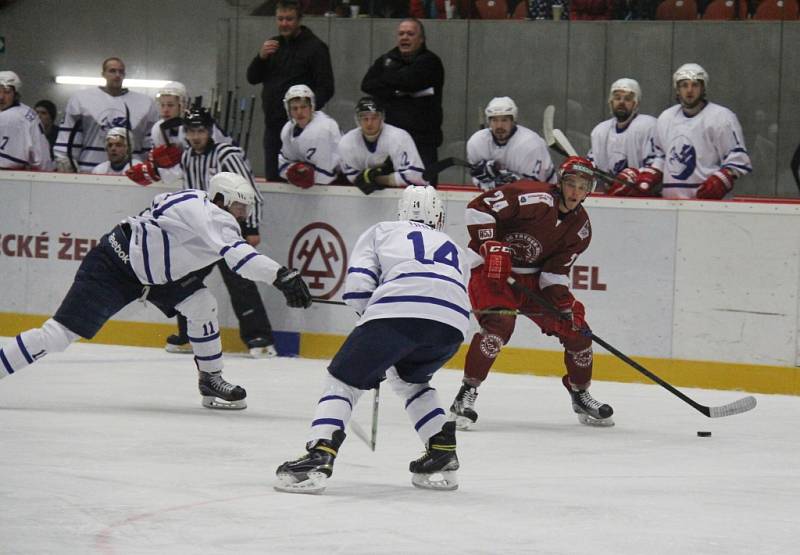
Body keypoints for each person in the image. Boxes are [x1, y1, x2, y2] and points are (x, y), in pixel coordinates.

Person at [0, 173, 312, 410]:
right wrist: (281, 276)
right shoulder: (210, 215)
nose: (243, 214)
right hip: (115, 267)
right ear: (220, 199)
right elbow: (240, 258)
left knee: (202, 304)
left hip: (159, 278)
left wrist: (280, 277)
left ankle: (210, 379)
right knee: (56, 336)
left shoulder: (206, 210)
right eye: (239, 206)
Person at [275, 185, 469, 494]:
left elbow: (357, 288)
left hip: (397, 312)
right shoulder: (452, 245)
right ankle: (441, 450)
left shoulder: (382, 230)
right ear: (439, 216)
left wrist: (374, 332)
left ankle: (319, 454)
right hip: (451, 326)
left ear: (401, 211)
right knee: (411, 381)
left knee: (342, 380)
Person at [449, 156, 614, 429]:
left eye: (582, 186)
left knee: (578, 331)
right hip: (494, 273)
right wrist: (489, 244)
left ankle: (580, 393)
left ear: (589, 191)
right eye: (570, 183)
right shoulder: (532, 197)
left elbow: (554, 273)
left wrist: (563, 304)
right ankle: (465, 395)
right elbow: (478, 208)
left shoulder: (581, 230)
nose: (575, 191)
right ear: (560, 182)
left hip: (534, 281)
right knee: (499, 326)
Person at [126, 108, 277, 358]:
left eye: (201, 131)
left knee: (241, 284)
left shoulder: (226, 154)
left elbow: (249, 190)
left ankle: (259, 339)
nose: (196, 136)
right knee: (184, 281)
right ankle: (188, 337)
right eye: (192, 131)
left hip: (229, 230)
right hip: (199, 234)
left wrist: (251, 226)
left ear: (210, 131)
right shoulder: (187, 157)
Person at [615, 63, 752, 199]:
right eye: (684, 85)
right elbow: (661, 156)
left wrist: (721, 180)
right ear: (677, 89)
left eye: (695, 85)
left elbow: (738, 158)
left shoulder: (721, 117)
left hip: (709, 204)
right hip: (671, 202)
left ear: (703, 88)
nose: (689, 90)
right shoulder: (666, 118)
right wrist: (650, 174)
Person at [245, 0, 334, 181]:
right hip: (273, 125)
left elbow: (326, 88)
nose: (284, 23)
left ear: (299, 20)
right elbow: (252, 78)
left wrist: (306, 115)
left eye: (289, 19)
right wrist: (260, 58)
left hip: (302, 128)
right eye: (280, 19)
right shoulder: (272, 46)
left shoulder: (316, 48)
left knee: (303, 179)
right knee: (273, 178)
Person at [361, 18, 443, 183]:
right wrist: (399, 88)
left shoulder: (430, 61)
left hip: (422, 141)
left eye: (410, 34)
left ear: (421, 39)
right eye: (401, 34)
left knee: (425, 191)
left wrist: (389, 82)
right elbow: (367, 84)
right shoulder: (386, 59)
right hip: (390, 141)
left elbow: (411, 81)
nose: (405, 37)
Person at [53, 57, 158, 173]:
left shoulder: (145, 103)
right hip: (88, 170)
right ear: (103, 74)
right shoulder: (81, 99)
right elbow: (68, 136)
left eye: (121, 71)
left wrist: (149, 168)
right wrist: (65, 160)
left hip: (132, 173)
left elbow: (149, 142)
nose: (117, 75)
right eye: (112, 71)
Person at [339, 96, 427, 195]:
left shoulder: (399, 137)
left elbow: (415, 176)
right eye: (364, 118)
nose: (369, 123)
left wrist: (382, 179)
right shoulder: (346, 142)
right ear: (358, 120)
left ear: (382, 118)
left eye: (374, 118)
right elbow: (353, 176)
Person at [466, 96, 555, 191]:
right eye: (494, 120)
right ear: (489, 122)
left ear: (513, 121)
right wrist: (488, 180)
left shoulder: (531, 145)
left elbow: (537, 187)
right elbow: (476, 177)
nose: (499, 126)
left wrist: (511, 181)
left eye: (504, 120)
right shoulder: (477, 142)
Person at [587, 78, 658, 194]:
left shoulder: (648, 127)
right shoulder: (600, 131)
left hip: (640, 198)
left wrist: (634, 178)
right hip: (609, 197)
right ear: (611, 101)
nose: (621, 102)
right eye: (617, 98)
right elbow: (593, 164)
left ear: (636, 103)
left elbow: (655, 165)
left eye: (627, 99)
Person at [277, 84, 342, 188]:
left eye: (303, 107)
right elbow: (282, 166)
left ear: (312, 106)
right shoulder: (287, 129)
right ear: (288, 110)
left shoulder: (324, 129)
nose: (299, 112)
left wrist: (300, 172)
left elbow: (327, 176)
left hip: (338, 184)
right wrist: (295, 170)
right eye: (294, 108)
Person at [0, 71, 54, 171]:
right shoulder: (24, 111)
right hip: (41, 173)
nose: (1, 97)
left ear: (15, 94)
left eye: (7, 92)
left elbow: (7, 164)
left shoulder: (13, 117)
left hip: (22, 177)